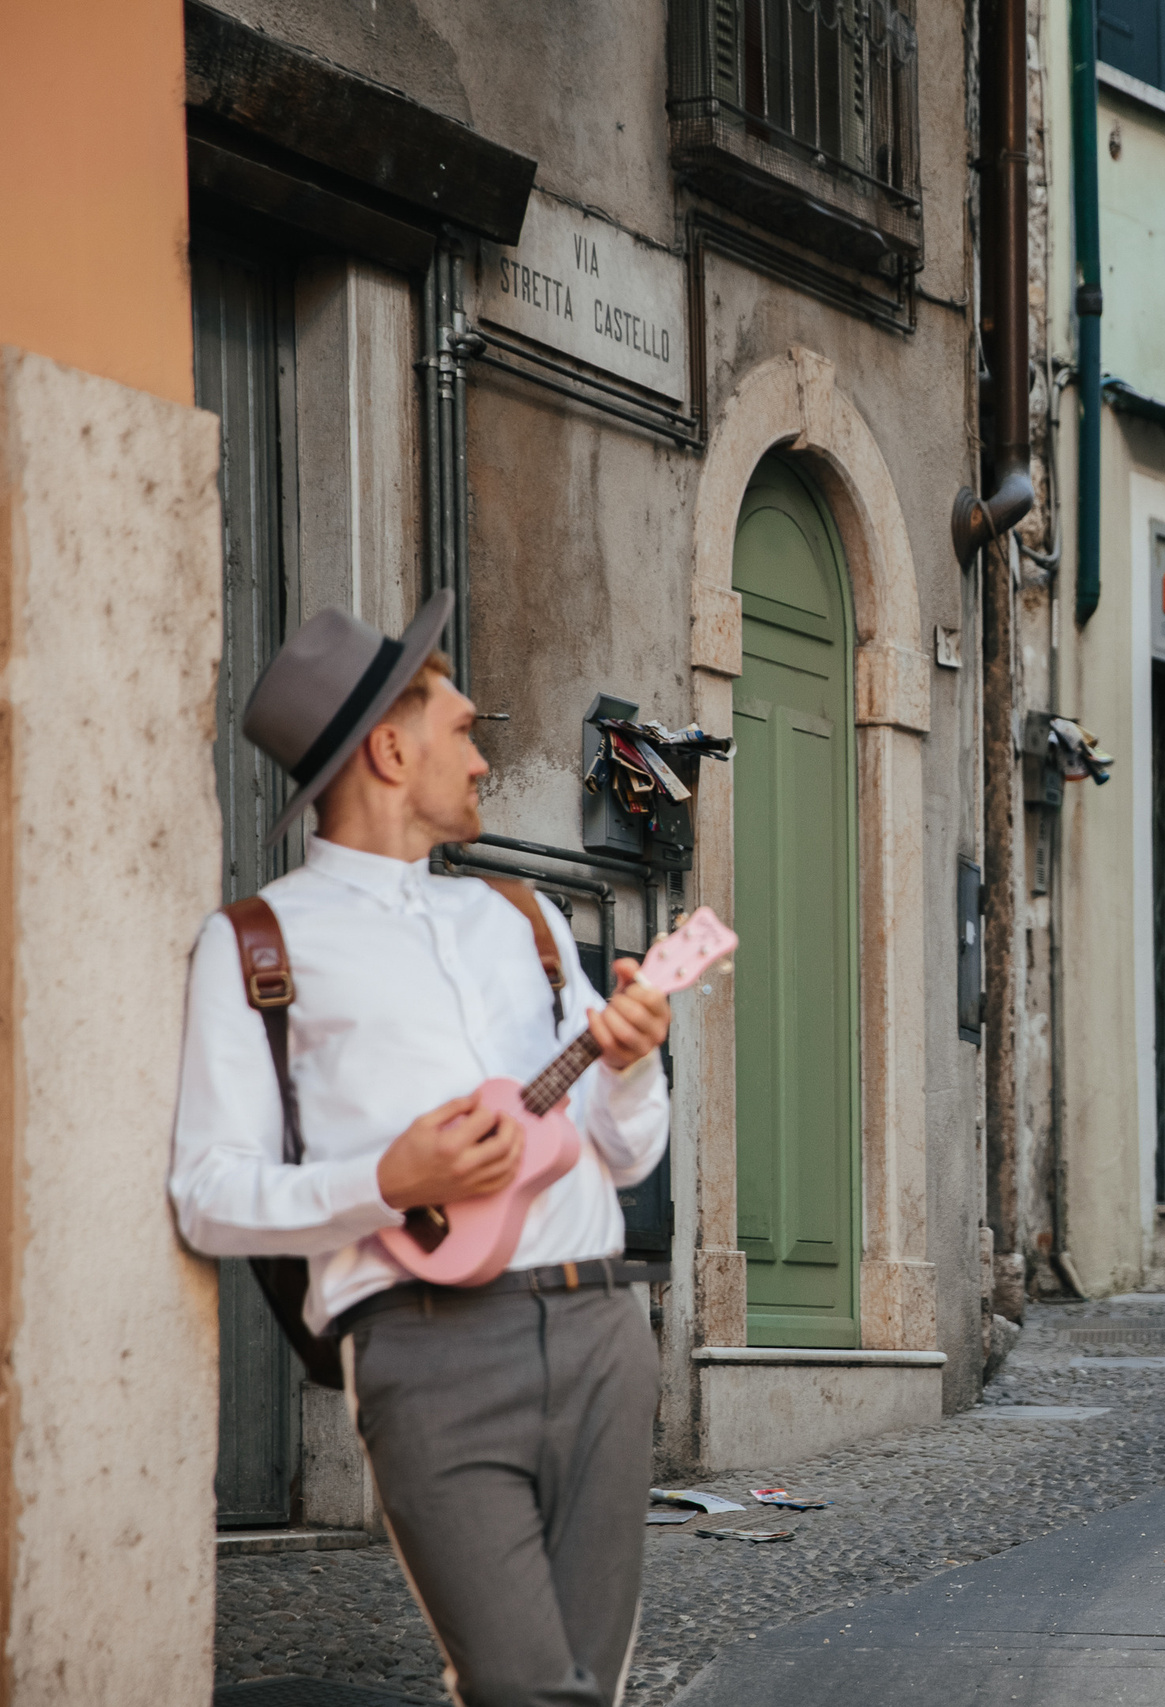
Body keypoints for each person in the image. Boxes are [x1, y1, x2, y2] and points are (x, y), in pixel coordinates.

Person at [169, 593, 672, 1707]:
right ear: (391, 751)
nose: (484, 757)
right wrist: (388, 1183)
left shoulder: (523, 919)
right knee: (521, 1687)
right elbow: (207, 1194)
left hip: (601, 1332)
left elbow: (623, 1155)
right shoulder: (258, 945)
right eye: (462, 728)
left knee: (595, 1690)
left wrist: (633, 1062)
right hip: (426, 1352)